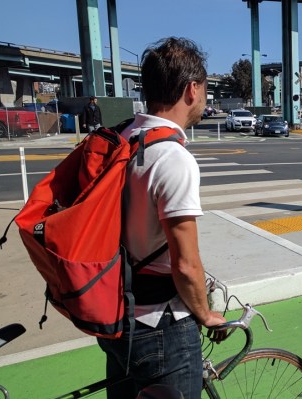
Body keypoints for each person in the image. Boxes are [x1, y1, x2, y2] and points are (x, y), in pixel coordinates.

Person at [96, 37, 227, 399]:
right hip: (161, 325)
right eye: (205, 90)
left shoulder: (123, 137)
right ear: (191, 89)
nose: (203, 100)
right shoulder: (172, 157)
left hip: (117, 315)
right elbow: (185, 265)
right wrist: (206, 314)